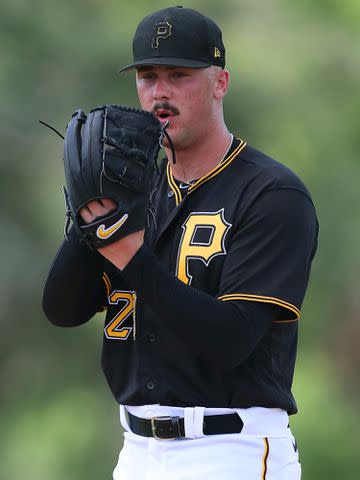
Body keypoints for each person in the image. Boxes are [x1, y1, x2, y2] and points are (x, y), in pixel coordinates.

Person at [42, 6, 318, 479]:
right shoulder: (134, 190)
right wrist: (86, 221)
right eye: (148, 76)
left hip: (232, 448)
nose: (160, 92)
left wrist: (123, 247)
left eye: (179, 74)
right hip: (136, 452)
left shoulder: (272, 194)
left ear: (220, 82)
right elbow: (62, 310)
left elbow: (231, 340)